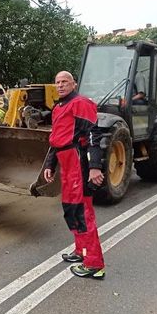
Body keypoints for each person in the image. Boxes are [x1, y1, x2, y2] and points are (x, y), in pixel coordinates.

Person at [43, 71, 106, 279]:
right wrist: (50, 164)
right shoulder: (58, 106)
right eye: (57, 82)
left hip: (78, 160)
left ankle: (94, 264)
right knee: (71, 208)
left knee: (82, 210)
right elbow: (56, 138)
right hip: (65, 160)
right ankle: (81, 251)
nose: (60, 85)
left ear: (74, 84)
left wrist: (95, 166)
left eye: (64, 82)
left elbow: (93, 134)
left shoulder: (81, 103)